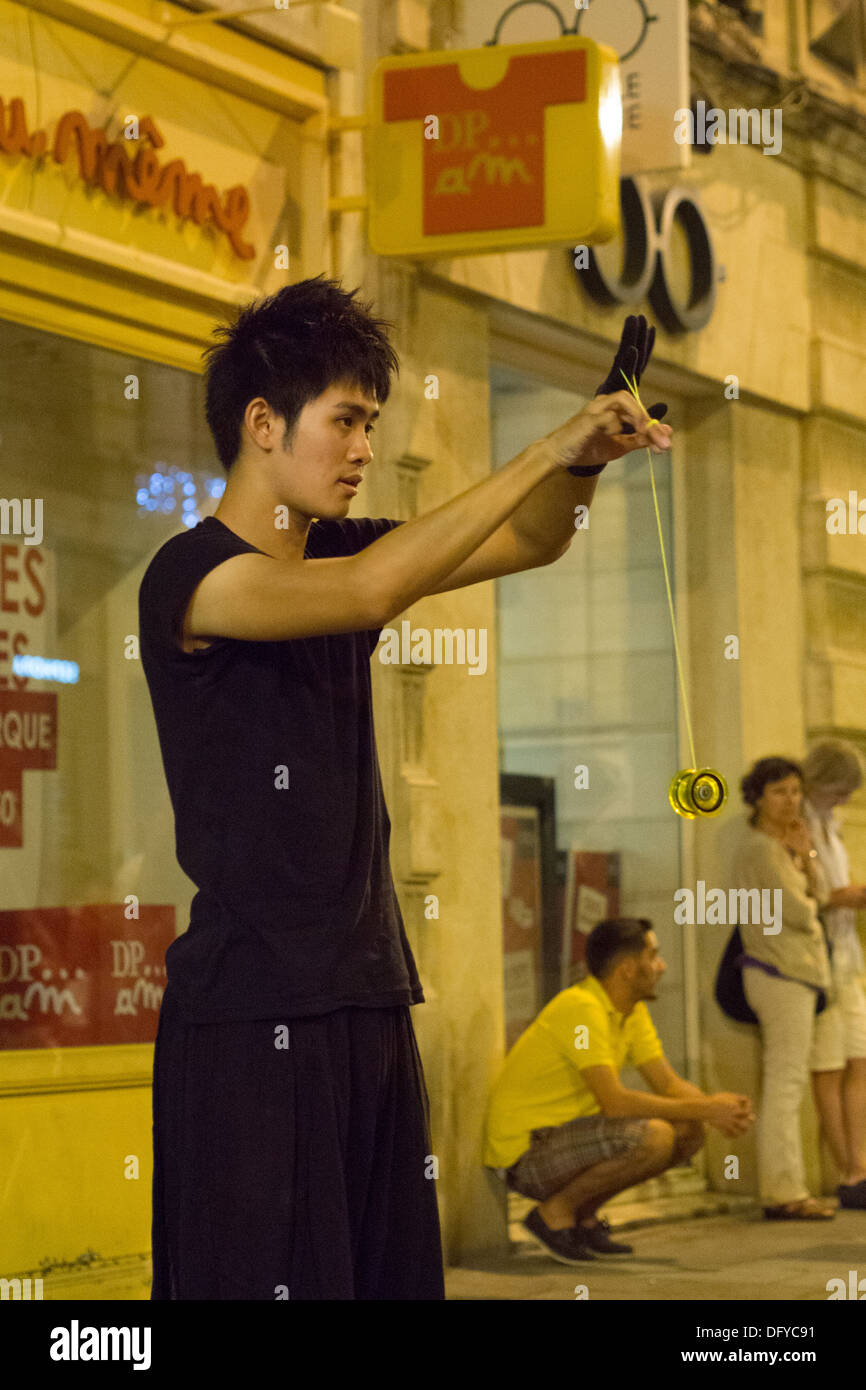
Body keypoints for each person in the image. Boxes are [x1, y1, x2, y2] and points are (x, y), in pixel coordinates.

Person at [138, 283, 672, 1299]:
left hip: (368, 998)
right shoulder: (191, 574)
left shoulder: (341, 548)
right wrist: (542, 447)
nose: (360, 448)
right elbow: (370, 592)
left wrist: (586, 463)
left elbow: (533, 541)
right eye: (343, 420)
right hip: (252, 1015)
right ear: (262, 424)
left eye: (370, 425)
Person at [483, 918, 754, 1265]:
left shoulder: (631, 1011)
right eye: (653, 955)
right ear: (627, 969)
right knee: (653, 1136)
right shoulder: (582, 1008)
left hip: (565, 1139)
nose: (662, 965)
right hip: (526, 1153)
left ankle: (583, 1218)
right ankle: (552, 1215)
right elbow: (615, 1102)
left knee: (688, 1133)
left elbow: (668, 1084)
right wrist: (708, 1108)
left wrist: (719, 1109)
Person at [732, 756, 836, 1219]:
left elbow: (822, 894)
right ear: (757, 797)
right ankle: (784, 1190)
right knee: (786, 1081)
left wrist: (805, 854)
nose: (790, 800)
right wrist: (803, 874)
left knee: (787, 1079)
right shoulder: (759, 849)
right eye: (779, 791)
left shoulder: (783, 846)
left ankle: (786, 1187)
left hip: (794, 972)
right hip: (778, 972)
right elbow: (801, 910)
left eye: (795, 791)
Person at [802, 739, 866, 1209]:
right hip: (816, 958)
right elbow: (805, 893)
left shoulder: (830, 825)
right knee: (829, 1065)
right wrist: (839, 897)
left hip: (846, 954)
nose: (844, 799)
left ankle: (862, 1164)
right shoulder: (799, 824)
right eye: (839, 789)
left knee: (859, 1059)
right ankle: (848, 1171)